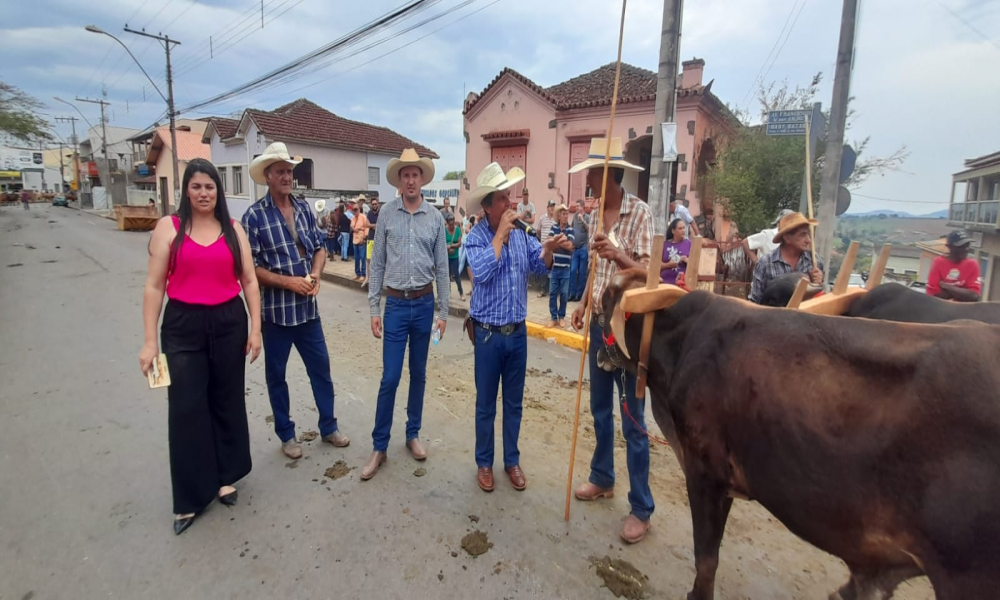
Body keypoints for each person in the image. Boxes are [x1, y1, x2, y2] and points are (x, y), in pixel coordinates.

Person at [139, 158, 262, 535]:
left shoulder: (233, 230)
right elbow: (154, 286)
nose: (204, 193)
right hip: (182, 326)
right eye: (197, 187)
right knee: (186, 406)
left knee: (226, 399)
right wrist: (148, 342)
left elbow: (250, 282)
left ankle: (226, 476)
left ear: (218, 191)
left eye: (210, 187)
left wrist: (255, 329)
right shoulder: (169, 228)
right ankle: (190, 497)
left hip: (228, 323)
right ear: (186, 191)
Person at [568, 137, 655, 544]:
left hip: (631, 328)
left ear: (609, 176)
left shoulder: (640, 213)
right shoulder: (592, 216)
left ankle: (641, 508)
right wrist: (584, 304)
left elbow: (648, 274)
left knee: (633, 420)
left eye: (591, 172)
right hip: (601, 322)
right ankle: (602, 477)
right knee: (599, 411)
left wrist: (618, 255)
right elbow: (591, 272)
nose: (586, 178)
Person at [242, 142, 350, 460]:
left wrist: (315, 275)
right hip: (276, 316)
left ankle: (328, 427)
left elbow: (319, 248)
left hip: (307, 312)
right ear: (267, 176)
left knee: (321, 370)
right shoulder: (254, 217)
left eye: (289, 171)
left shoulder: (303, 208)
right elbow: (250, 269)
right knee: (276, 376)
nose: (287, 176)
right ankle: (287, 435)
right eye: (280, 172)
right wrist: (288, 282)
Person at [465, 162, 564, 493]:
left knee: (514, 403)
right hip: (488, 335)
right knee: (485, 404)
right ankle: (484, 462)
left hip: (516, 334)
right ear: (488, 206)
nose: (510, 205)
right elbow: (480, 273)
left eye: (509, 197)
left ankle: (511, 461)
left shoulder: (523, 234)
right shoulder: (476, 237)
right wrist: (500, 235)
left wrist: (549, 249)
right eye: (503, 200)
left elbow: (540, 266)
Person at [364, 149, 450, 480]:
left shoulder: (435, 218)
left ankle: (412, 433)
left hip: (425, 304)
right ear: (399, 181)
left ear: (422, 179)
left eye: (416, 174)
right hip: (396, 305)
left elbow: (442, 266)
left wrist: (444, 311)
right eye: (406, 175)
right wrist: (375, 307)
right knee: (390, 377)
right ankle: (379, 446)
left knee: (419, 372)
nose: (411, 180)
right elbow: (378, 262)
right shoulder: (386, 214)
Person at [748, 211, 824, 304]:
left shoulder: (814, 261)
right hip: (774, 316)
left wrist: (818, 284)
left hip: (804, 316)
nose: (808, 240)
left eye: (808, 234)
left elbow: (819, 299)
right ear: (787, 238)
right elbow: (755, 301)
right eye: (802, 235)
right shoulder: (766, 263)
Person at [927, 230, 981, 302]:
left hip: (964, 311)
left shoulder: (972, 264)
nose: (966, 249)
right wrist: (962, 293)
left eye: (967, 245)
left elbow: (973, 296)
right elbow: (934, 293)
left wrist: (947, 287)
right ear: (949, 247)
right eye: (961, 246)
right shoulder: (938, 262)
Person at [548, 204, 575, 327]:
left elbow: (570, 247)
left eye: (567, 214)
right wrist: (562, 241)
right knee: (552, 294)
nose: (566, 216)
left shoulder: (570, 229)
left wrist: (556, 241)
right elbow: (549, 243)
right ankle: (554, 318)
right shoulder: (553, 227)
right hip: (555, 267)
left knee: (564, 294)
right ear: (559, 216)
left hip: (565, 268)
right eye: (563, 214)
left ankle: (561, 316)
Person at [569, 197, 590, 302]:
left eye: (577, 206)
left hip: (583, 247)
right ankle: (571, 294)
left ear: (582, 207)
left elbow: (590, 230)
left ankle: (579, 295)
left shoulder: (587, 217)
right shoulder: (574, 217)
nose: (576, 208)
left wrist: (583, 221)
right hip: (575, 248)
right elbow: (572, 229)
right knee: (572, 271)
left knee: (582, 272)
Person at [536, 199, 557, 297]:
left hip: (552, 247)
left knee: (552, 267)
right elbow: (538, 231)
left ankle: (551, 290)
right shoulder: (542, 218)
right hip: (543, 246)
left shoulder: (556, 220)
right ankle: (543, 290)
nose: (552, 208)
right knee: (543, 267)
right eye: (551, 206)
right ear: (547, 208)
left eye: (553, 206)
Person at [660, 218, 691, 284]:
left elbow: (696, 265)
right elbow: (656, 265)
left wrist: (687, 260)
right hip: (664, 281)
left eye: (683, 228)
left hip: (682, 281)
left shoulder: (689, 244)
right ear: (673, 231)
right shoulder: (665, 245)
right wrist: (668, 265)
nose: (683, 230)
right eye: (680, 228)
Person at [445, 212, 465, 300]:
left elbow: (460, 243)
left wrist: (451, 246)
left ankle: (461, 293)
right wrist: (447, 248)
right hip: (446, 257)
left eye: (453, 224)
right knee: (447, 275)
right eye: (450, 225)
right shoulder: (444, 230)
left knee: (456, 275)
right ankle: (448, 294)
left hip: (455, 256)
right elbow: (441, 243)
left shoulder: (457, 230)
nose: (452, 226)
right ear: (447, 223)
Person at [363, 196, 380, 287]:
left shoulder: (381, 213)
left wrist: (371, 225)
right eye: (373, 204)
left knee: (379, 260)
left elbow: (381, 225)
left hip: (379, 239)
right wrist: (374, 225)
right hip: (370, 238)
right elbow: (367, 224)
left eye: (375, 204)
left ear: (378, 203)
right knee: (368, 259)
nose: (374, 205)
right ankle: (368, 278)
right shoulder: (369, 213)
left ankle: (378, 279)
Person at [351, 203, 369, 282]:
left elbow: (366, 227)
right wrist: (353, 229)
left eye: (356, 209)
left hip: (361, 237)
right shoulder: (353, 218)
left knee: (362, 257)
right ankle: (357, 273)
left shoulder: (363, 217)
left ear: (359, 209)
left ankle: (363, 274)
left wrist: (364, 237)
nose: (355, 211)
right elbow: (351, 226)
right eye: (354, 210)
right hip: (355, 238)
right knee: (357, 258)